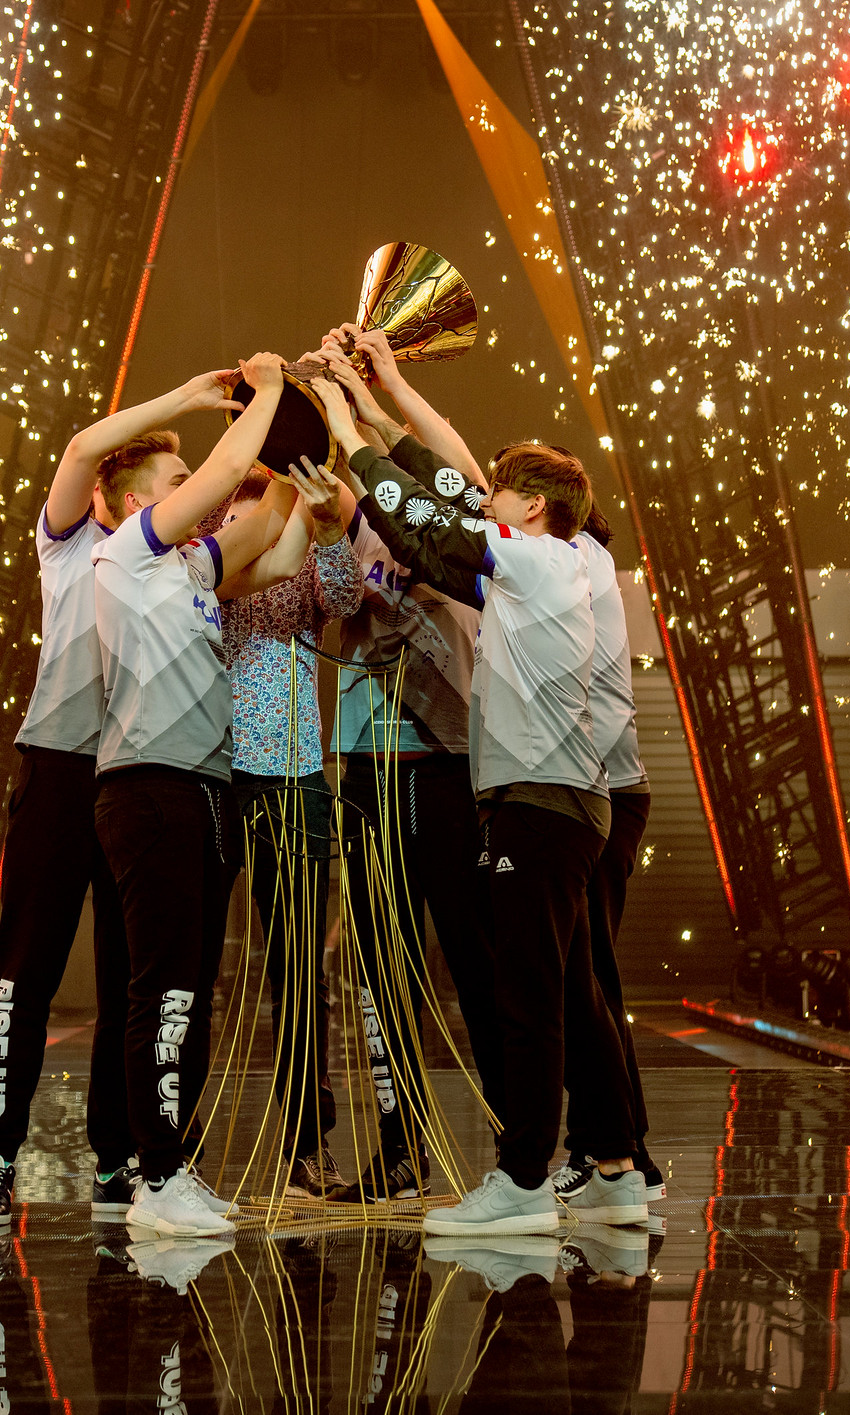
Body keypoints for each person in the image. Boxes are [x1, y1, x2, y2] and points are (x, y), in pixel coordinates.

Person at [308, 373, 646, 1237]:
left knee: (527, 996)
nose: (480, 495)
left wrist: (345, 418)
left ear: (531, 508)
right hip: (566, 801)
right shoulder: (559, 557)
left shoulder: (528, 562)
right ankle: (614, 1165)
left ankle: (524, 1180)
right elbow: (444, 482)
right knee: (570, 990)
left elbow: (418, 517)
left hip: (538, 804)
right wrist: (380, 388)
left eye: (498, 489)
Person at [0, 367, 247, 1229]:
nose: (184, 490)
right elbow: (85, 444)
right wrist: (190, 400)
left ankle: (121, 1162)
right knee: (26, 973)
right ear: (118, 495)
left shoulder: (170, 560)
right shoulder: (70, 542)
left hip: (134, 774)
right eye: (168, 477)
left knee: (136, 977)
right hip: (57, 769)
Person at [92, 351, 345, 1238]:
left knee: (185, 990)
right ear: (138, 504)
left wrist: (311, 448)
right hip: (151, 785)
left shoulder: (189, 573)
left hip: (198, 790)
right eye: (176, 479)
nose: (196, 484)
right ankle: (156, 1173)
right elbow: (230, 472)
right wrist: (268, 390)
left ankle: (172, 1170)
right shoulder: (129, 554)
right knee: (162, 990)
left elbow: (269, 542)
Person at [305, 332, 503, 1207]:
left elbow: (451, 464)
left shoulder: (463, 542)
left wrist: (364, 396)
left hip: (448, 765)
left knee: (477, 960)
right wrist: (331, 532)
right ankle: (398, 1148)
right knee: (384, 974)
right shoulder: (347, 523)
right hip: (369, 762)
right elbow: (333, 614)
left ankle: (522, 1149)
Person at [204, 472, 361, 1198]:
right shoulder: (206, 546)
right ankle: (170, 1153)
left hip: (294, 777)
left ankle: (307, 1146)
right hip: (206, 774)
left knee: (299, 973)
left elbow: (348, 596)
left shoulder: (304, 554)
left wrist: (327, 521)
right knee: (190, 970)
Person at [550, 507, 664, 1204]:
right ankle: (620, 1148)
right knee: (591, 979)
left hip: (596, 792)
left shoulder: (570, 560)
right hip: (610, 790)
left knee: (579, 980)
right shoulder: (586, 558)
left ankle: (612, 1149)